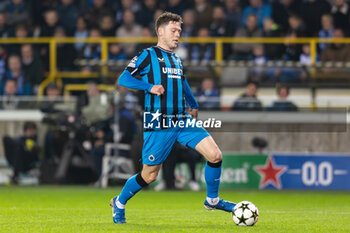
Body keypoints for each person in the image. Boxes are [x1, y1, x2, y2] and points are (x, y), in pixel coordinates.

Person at [111, 12, 236, 224]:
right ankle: (120, 202)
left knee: (215, 155)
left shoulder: (177, 59)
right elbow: (124, 78)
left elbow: (182, 82)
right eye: (174, 30)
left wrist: (193, 103)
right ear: (160, 31)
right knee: (150, 176)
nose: (178, 34)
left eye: (180, 31)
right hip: (158, 121)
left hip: (181, 118)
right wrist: (149, 86)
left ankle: (212, 200)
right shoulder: (148, 55)